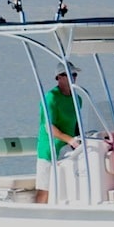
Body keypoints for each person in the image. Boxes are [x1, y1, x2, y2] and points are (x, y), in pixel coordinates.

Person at [35, 61, 82, 203]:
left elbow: (76, 124)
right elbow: (48, 127)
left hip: (67, 151)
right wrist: (69, 140)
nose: (73, 77)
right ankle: (37, 216)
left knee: (67, 186)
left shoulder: (77, 99)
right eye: (68, 74)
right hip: (49, 150)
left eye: (74, 74)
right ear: (59, 78)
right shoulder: (51, 98)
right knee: (45, 189)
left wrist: (80, 139)